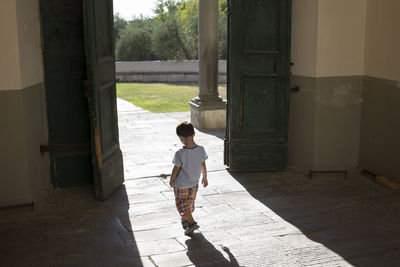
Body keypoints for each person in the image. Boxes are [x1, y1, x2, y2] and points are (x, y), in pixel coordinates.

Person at [170, 121, 208, 235]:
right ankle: (186, 220)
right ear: (194, 134)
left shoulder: (180, 153)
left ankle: (191, 223)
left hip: (181, 184)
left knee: (182, 204)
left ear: (180, 137)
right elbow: (203, 164)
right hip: (194, 183)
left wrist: (172, 179)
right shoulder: (201, 149)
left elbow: (176, 169)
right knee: (189, 204)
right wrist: (205, 177)